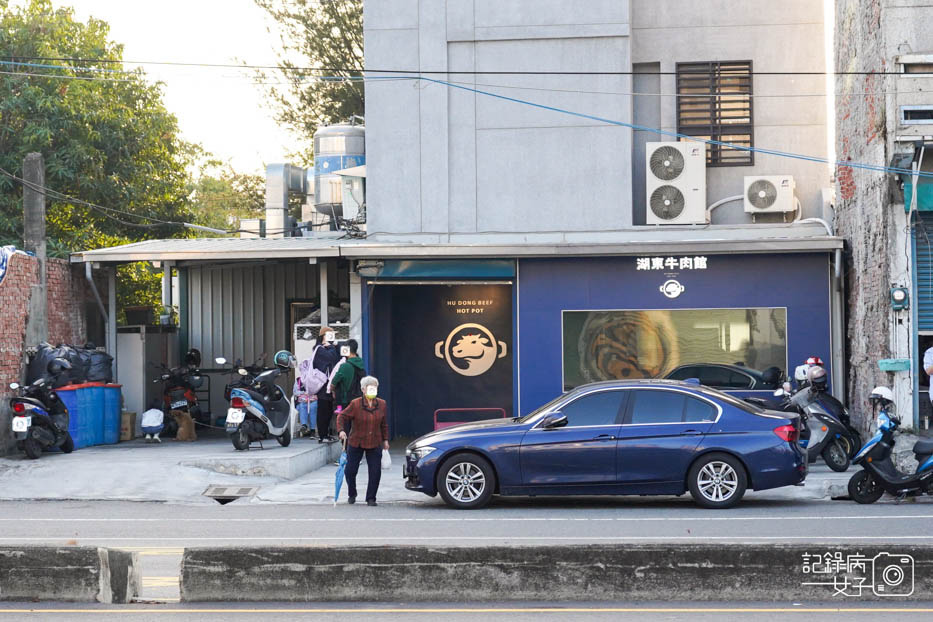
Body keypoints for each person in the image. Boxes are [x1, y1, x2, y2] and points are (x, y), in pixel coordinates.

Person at [337, 376, 389, 506]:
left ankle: (371, 498)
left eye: (375, 387)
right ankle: (352, 493)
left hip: (375, 441)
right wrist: (341, 431)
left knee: (375, 471)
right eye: (370, 387)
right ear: (363, 390)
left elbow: (384, 424)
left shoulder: (382, 404)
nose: (373, 390)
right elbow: (341, 416)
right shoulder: (355, 404)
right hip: (356, 441)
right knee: (350, 471)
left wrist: (385, 440)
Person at [313, 326, 341, 442]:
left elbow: (339, 356)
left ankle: (327, 434)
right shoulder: (319, 349)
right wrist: (330, 347)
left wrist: (334, 345)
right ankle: (322, 435)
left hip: (329, 385)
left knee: (329, 410)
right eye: (330, 335)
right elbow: (332, 358)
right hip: (322, 385)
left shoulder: (330, 348)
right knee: (323, 410)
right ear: (323, 336)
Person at [330, 339, 366, 424]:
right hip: (359, 399)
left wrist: (333, 390)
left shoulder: (344, 366)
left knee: (346, 425)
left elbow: (333, 383)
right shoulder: (361, 364)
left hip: (346, 401)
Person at [294, 358, 316, 438]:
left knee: (313, 407)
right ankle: (304, 425)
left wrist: (311, 395)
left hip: (314, 400)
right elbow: (295, 392)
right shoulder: (298, 380)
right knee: (302, 406)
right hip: (302, 400)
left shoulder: (315, 379)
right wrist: (303, 393)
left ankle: (313, 429)